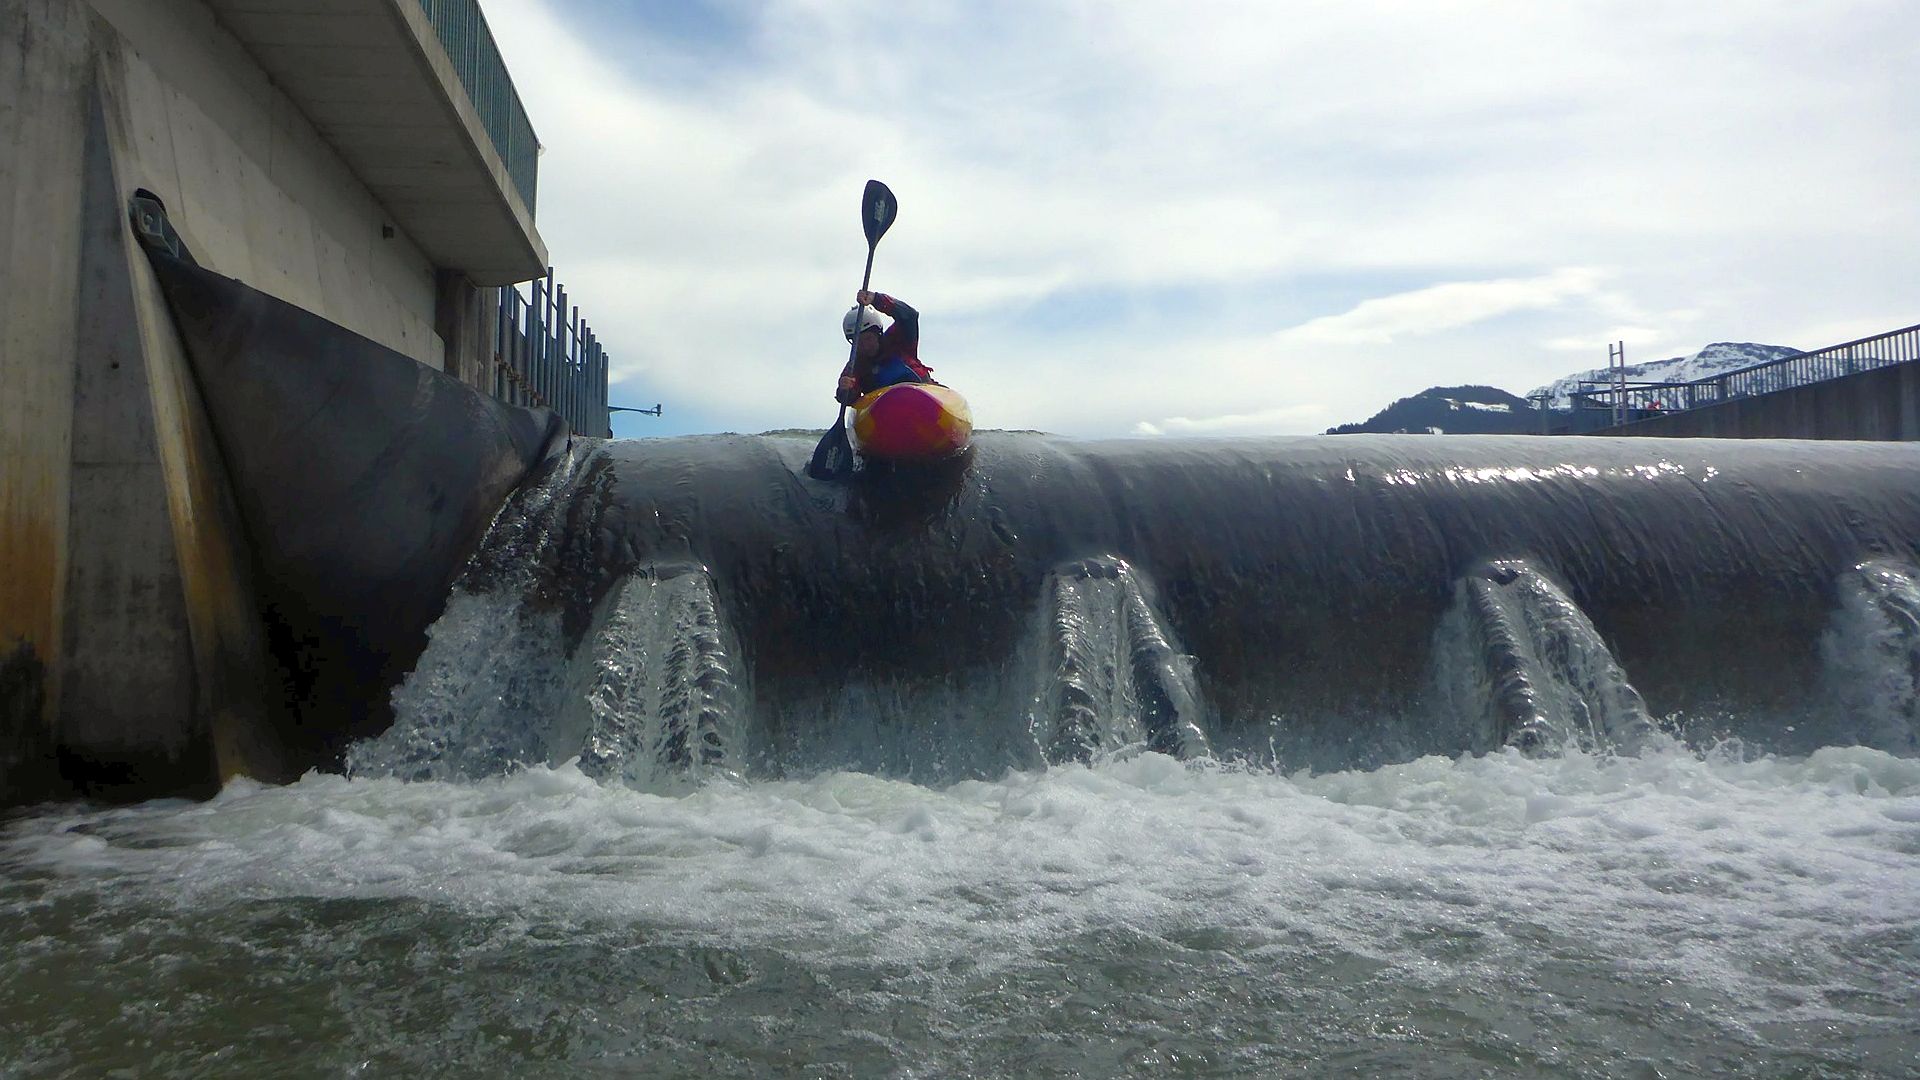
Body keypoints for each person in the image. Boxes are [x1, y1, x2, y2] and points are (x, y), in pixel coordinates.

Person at [836, 289, 934, 405]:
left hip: (923, 400)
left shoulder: (898, 340)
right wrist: (845, 390)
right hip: (887, 413)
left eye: (868, 339)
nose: (866, 346)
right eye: (859, 342)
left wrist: (876, 299)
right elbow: (849, 399)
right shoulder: (855, 366)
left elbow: (909, 316)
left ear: (878, 333)